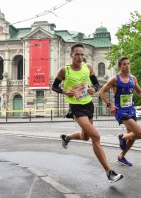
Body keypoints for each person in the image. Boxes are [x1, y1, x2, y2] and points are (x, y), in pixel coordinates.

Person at [52, 43, 123, 183]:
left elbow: (96, 85)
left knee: (85, 137)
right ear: (71, 55)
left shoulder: (88, 67)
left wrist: (94, 90)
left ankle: (67, 138)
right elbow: (54, 87)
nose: (80, 57)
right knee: (95, 136)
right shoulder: (64, 70)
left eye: (82, 54)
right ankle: (109, 172)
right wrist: (64, 91)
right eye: (77, 54)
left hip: (88, 105)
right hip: (76, 108)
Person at [99, 56, 141, 167]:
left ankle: (121, 157)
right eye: (124, 64)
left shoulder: (133, 78)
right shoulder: (115, 79)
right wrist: (110, 105)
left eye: (128, 64)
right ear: (120, 66)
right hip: (121, 111)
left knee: (132, 137)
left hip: (131, 110)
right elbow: (101, 92)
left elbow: (140, 93)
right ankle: (122, 137)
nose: (127, 66)